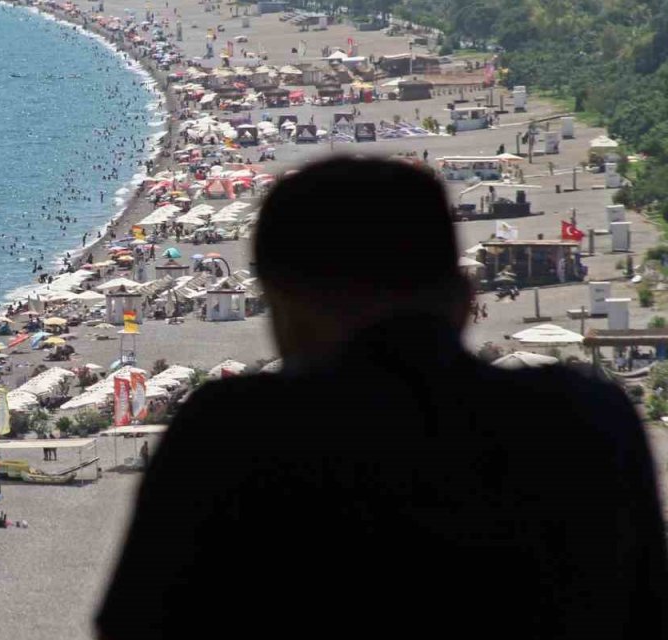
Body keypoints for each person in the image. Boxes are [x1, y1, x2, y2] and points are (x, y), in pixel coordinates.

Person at [97, 157, 668, 639]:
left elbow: (136, 622)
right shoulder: (581, 421)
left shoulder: (231, 434)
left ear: (280, 301)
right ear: (466, 298)